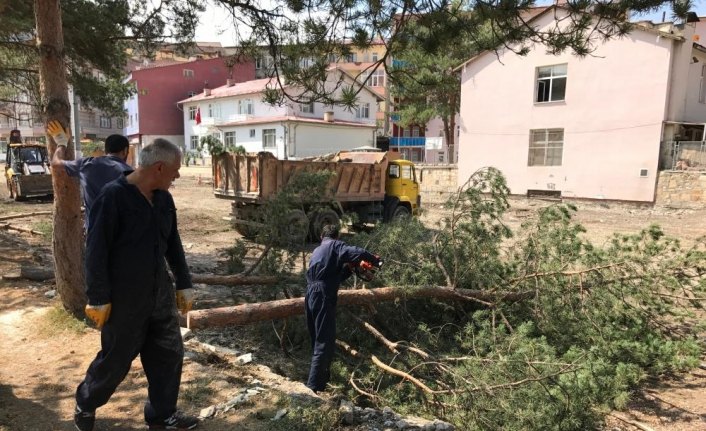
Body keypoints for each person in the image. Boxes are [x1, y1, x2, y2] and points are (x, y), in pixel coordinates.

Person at [73, 138, 198, 431]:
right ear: (158, 168)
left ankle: (161, 414)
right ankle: (86, 402)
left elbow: (173, 244)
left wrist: (184, 283)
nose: (177, 176)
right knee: (116, 360)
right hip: (124, 300)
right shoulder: (113, 198)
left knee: (168, 355)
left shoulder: (164, 200)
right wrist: (98, 296)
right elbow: (96, 250)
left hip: (159, 295)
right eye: (175, 170)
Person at [305, 224, 381, 393]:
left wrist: (350, 268)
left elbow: (333, 276)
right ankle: (313, 389)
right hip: (323, 295)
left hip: (310, 295)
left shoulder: (318, 251)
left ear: (321, 237)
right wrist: (376, 260)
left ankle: (319, 383)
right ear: (336, 237)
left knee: (317, 340)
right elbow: (357, 252)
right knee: (324, 342)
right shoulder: (335, 245)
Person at [48, 120, 133, 230]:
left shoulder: (87, 164)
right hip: (122, 235)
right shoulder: (130, 173)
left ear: (106, 150)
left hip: (94, 233)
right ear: (125, 151)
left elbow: (55, 163)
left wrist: (61, 142)